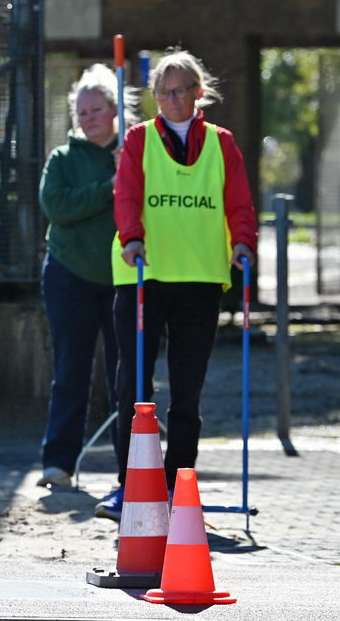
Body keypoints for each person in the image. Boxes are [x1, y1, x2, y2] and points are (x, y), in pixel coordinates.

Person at [97, 49, 258, 521]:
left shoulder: (222, 144)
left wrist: (243, 243)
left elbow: (239, 203)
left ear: (198, 93)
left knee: (187, 390)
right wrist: (132, 237)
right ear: (155, 98)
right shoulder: (137, 140)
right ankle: (131, 485)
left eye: (181, 91)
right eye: (164, 93)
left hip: (201, 277)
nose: (172, 99)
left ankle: (179, 487)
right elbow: (125, 195)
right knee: (135, 386)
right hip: (143, 275)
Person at [37, 64, 136, 489]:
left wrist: (125, 176)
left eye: (96, 109)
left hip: (123, 280)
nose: (88, 118)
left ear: (114, 110)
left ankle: (131, 470)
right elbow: (56, 206)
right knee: (71, 370)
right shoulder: (62, 158)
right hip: (69, 275)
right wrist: (108, 187)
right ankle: (58, 462)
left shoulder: (135, 153)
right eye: (82, 111)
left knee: (127, 376)